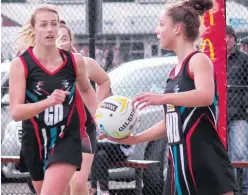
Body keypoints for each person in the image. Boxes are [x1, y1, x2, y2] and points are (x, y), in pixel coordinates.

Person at [100, 0, 238, 195]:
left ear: (177, 29)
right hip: (178, 165)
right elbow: (170, 122)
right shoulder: (174, 72)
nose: (157, 31)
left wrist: (162, 99)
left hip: (205, 160)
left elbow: (205, 96)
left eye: (161, 24)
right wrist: (134, 139)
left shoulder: (198, 60)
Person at [9, 5, 98, 195]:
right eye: (43, 25)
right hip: (34, 139)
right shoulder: (21, 64)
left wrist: (102, 119)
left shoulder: (74, 61)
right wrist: (47, 102)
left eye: (54, 24)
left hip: (66, 137)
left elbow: (87, 91)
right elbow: (16, 112)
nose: (50, 29)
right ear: (33, 29)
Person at [56, 21, 111, 195]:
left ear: (71, 40)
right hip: (56, 130)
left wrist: (96, 109)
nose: (60, 41)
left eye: (64, 38)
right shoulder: (45, 68)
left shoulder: (84, 63)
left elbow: (104, 81)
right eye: (56, 37)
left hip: (83, 129)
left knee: (78, 182)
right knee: (62, 185)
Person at [226, 25, 248, 194]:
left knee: (239, 154)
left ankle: (242, 188)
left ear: (235, 38)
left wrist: (244, 103)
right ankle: (227, 188)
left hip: (238, 112)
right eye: (223, 36)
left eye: (229, 36)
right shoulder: (213, 57)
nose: (226, 40)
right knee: (219, 153)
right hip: (217, 114)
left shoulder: (243, 59)